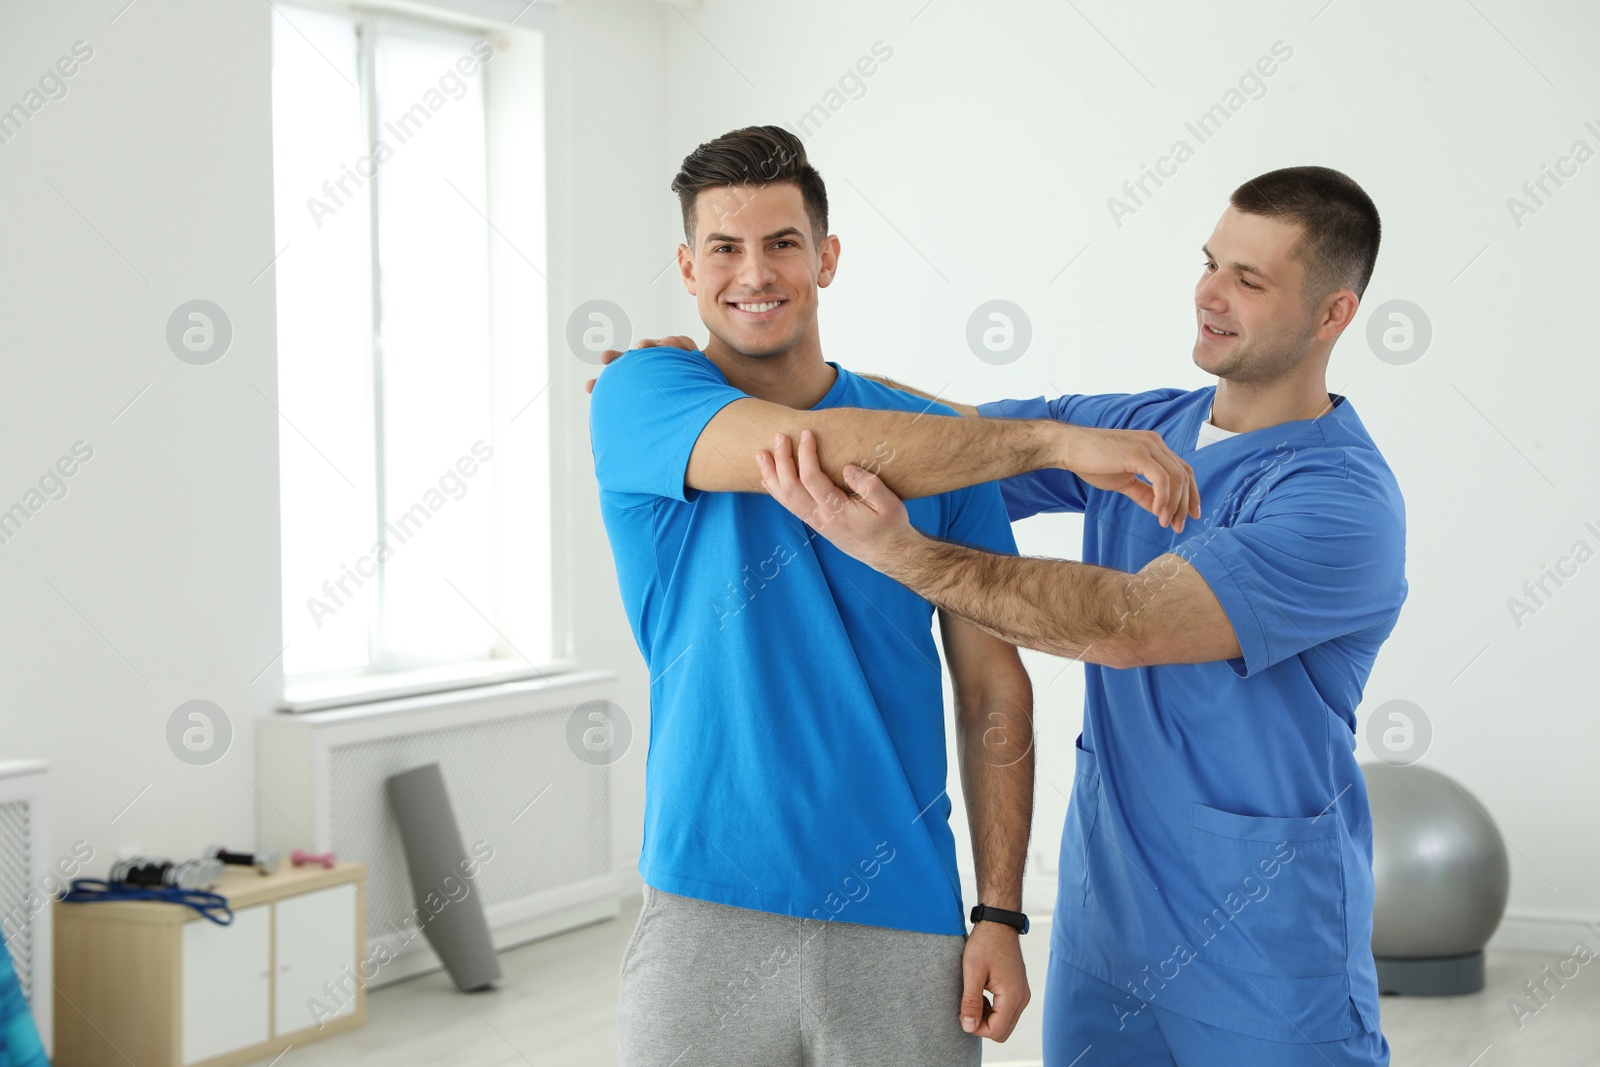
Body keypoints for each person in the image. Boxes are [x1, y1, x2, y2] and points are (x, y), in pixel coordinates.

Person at [755, 166, 1406, 1065]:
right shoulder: (1143, 428)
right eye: (1211, 263)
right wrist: (745, 372)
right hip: (1110, 928)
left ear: (1333, 316)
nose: (1210, 296)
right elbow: (952, 437)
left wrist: (906, 554)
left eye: (1249, 282)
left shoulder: (1339, 498)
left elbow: (1129, 622)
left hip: (1267, 950)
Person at [589, 125, 1202, 1067]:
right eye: (725, 247)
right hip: (702, 915)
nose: (754, 272)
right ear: (687, 266)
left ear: (826, 257)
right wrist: (1050, 440)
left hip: (904, 916)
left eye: (783, 243)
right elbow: (798, 451)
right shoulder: (640, 393)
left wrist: (998, 908)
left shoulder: (938, 448)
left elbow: (994, 688)